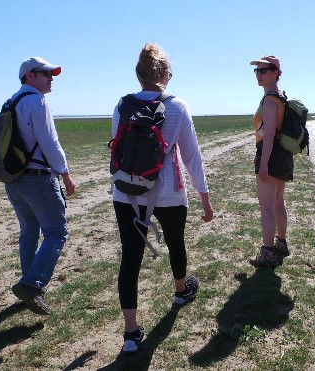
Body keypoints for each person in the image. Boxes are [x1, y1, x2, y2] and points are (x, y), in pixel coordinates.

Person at [111, 43, 213, 353]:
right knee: (175, 242)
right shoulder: (177, 106)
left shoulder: (121, 105)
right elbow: (192, 156)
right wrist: (205, 198)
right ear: (165, 75)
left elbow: (119, 149)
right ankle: (181, 291)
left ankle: (130, 334)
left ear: (139, 75)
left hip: (126, 191)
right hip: (168, 191)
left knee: (130, 257)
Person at [6, 57, 76, 315]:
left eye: (51, 73)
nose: (51, 78)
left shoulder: (10, 101)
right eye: (45, 73)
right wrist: (65, 174)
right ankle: (31, 284)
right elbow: (50, 142)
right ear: (29, 76)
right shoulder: (37, 101)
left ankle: (28, 287)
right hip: (37, 178)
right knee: (57, 232)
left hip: (13, 180)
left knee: (29, 233)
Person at [248, 55, 293, 268]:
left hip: (272, 154)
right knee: (277, 202)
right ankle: (281, 243)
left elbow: (269, 135)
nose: (258, 74)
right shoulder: (281, 96)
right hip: (283, 154)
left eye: (263, 70)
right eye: (256, 71)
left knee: (266, 206)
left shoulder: (269, 100)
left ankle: (267, 252)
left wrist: (263, 162)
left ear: (276, 73)